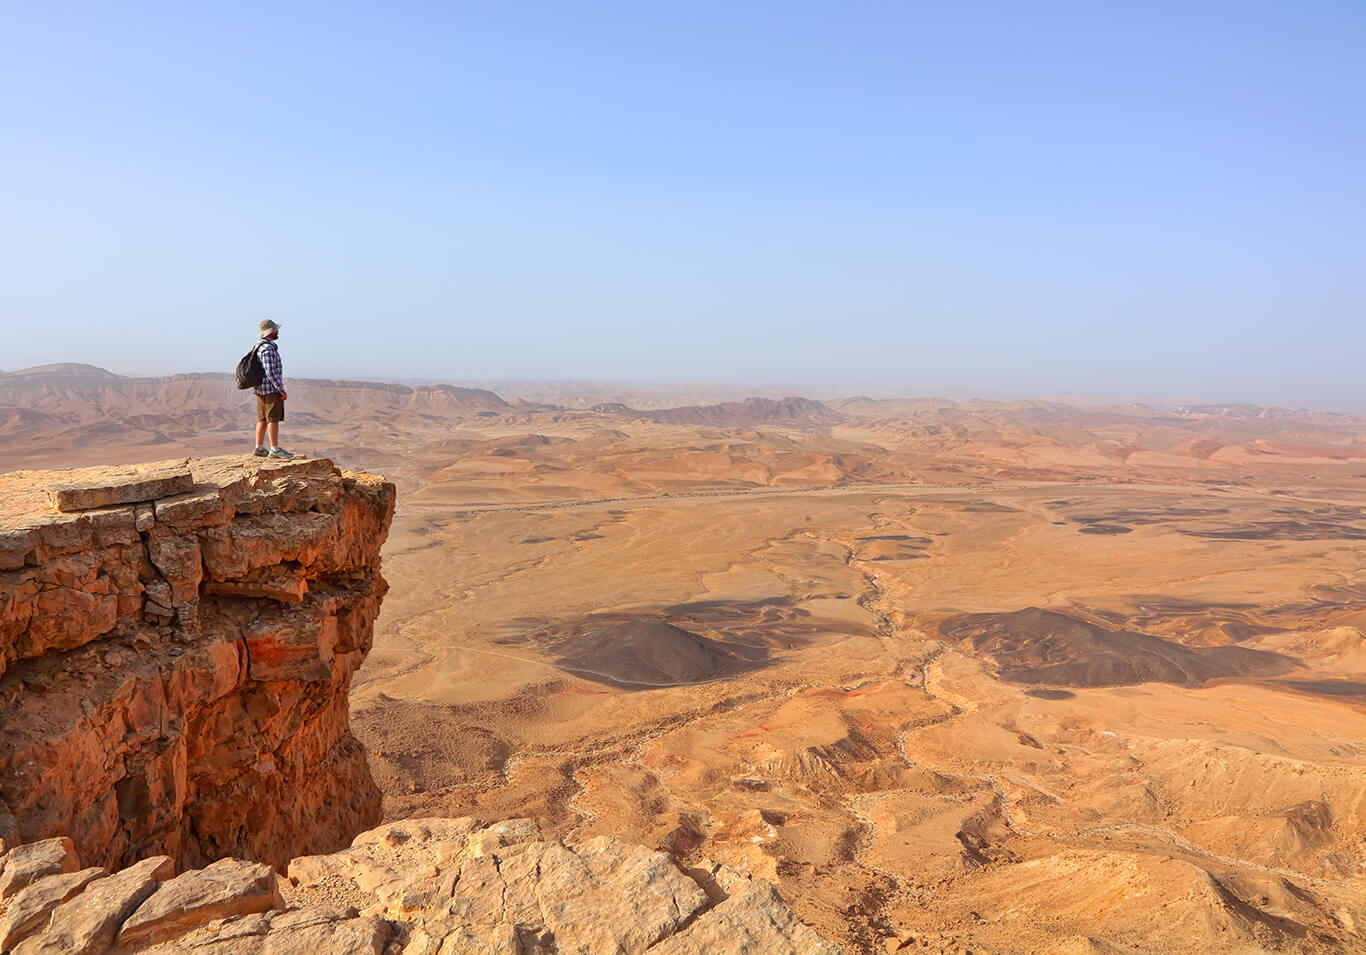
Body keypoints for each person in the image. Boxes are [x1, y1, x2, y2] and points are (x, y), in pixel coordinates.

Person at [252, 319, 293, 459]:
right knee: (273, 419)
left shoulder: (258, 347)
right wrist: (280, 389)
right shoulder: (268, 348)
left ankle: (259, 447)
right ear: (271, 332)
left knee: (262, 419)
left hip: (260, 389)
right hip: (270, 389)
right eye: (276, 330)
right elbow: (270, 371)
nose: (278, 332)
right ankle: (274, 449)